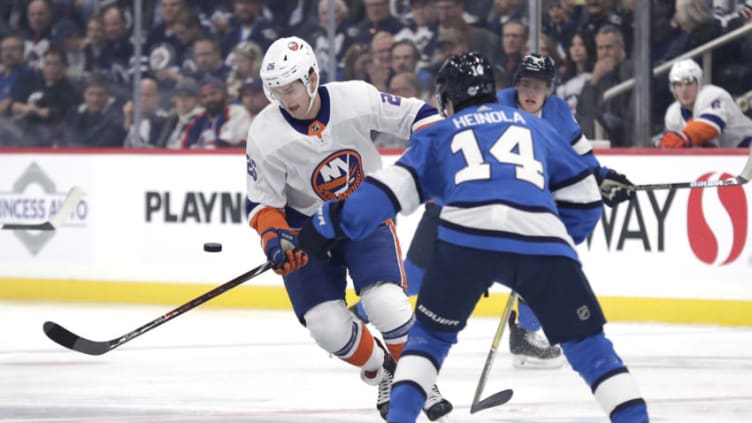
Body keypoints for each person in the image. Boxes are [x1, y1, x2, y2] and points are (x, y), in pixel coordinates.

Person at [297, 51, 649, 423]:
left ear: (447, 99)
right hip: (540, 242)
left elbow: (389, 192)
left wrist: (328, 222)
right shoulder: (538, 128)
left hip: (465, 241)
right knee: (593, 351)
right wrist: (551, 238)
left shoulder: (441, 133)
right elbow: (584, 196)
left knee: (426, 345)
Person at [348, 53, 635, 369]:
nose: (531, 92)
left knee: (544, 264)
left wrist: (602, 178)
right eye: (525, 83)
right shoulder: (492, 105)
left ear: (550, 89)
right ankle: (359, 314)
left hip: (508, 210)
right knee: (414, 277)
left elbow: (580, 162)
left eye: (539, 86)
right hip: (454, 208)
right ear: (515, 84)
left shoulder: (559, 114)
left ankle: (525, 335)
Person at [244, 36, 451, 421]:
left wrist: (434, 158)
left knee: (385, 300)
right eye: (276, 90)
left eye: (291, 87)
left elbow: (419, 116)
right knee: (326, 327)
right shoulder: (265, 133)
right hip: (306, 228)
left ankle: (416, 375)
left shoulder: (355, 98)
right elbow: (263, 204)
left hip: (362, 213)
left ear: (311, 76)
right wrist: (275, 240)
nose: (286, 98)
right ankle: (386, 367)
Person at [659, 59, 752, 148]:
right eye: (678, 85)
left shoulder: (713, 95)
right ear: (672, 89)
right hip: (726, 159)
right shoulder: (672, 115)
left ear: (699, 83)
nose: (684, 90)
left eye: (689, 83)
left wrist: (683, 136)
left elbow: (712, 125)